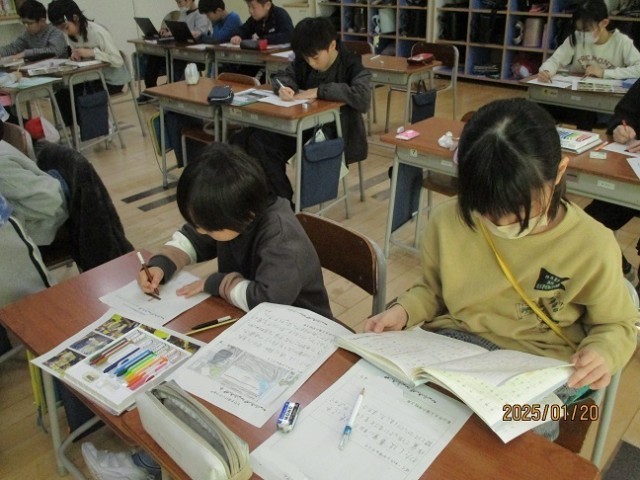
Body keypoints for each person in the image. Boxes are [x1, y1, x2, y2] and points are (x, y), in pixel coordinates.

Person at [365, 98, 638, 437]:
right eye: (487, 208)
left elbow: (618, 323)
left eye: (518, 207)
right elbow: (433, 290)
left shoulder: (592, 244)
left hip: (541, 368)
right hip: (454, 346)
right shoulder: (448, 220)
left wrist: (604, 352)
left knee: (521, 437)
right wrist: (405, 311)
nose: (501, 221)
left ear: (559, 172)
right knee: (401, 409)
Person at [138, 142, 333, 319]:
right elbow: (193, 239)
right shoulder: (232, 212)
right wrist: (162, 264)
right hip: (248, 313)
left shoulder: (281, 238)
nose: (201, 231)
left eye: (207, 227)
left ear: (243, 214)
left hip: (300, 324)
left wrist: (216, 283)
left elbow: (268, 300)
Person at [230, 16, 371, 202]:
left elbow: (363, 97)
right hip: (301, 124)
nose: (310, 62)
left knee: (261, 144)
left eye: (315, 57)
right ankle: (263, 200)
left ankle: (283, 203)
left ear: (332, 46)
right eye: (306, 57)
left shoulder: (352, 64)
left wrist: (320, 91)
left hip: (331, 132)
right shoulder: (304, 60)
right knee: (242, 139)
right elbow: (283, 76)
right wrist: (285, 87)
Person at [537, 0, 640, 129]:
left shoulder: (621, 42)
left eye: (587, 30)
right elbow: (555, 60)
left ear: (604, 23)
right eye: (578, 29)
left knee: (585, 114)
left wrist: (604, 73)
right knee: (539, 105)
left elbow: (638, 69)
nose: (582, 34)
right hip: (575, 98)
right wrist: (547, 71)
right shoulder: (576, 38)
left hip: (603, 103)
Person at [583, 77, 640, 287]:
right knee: (589, 228)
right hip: (630, 175)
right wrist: (620, 128)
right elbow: (622, 114)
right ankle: (622, 269)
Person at [47, 0, 131, 126]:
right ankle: (77, 128)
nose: (66, 32)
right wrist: (76, 56)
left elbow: (117, 60)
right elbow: (79, 54)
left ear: (75, 18)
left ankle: (99, 126)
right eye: (61, 30)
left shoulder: (97, 32)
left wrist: (92, 53)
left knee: (83, 94)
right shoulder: (71, 35)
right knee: (63, 93)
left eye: (66, 27)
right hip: (90, 78)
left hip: (112, 80)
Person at [136, 0, 210, 104]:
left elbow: (199, 33)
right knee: (154, 57)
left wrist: (176, 33)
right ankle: (151, 89)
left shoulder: (201, 14)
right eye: (178, 3)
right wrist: (167, 31)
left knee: (176, 62)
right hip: (179, 49)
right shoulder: (183, 14)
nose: (179, 5)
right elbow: (178, 29)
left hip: (193, 54)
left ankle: (172, 93)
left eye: (180, 2)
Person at [228, 0, 293, 79]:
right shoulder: (255, 19)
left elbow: (288, 35)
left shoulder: (280, 14)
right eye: (249, 7)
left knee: (258, 77)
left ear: (267, 5)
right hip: (258, 56)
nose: (250, 11)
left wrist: (263, 39)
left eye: (253, 7)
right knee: (239, 73)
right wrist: (237, 36)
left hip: (276, 59)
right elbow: (243, 29)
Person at [0, 0, 67, 62]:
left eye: (29, 23)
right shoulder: (27, 34)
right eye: (24, 23)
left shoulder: (55, 31)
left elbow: (55, 51)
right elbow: (14, 47)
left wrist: (26, 53)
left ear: (42, 21)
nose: (26, 26)